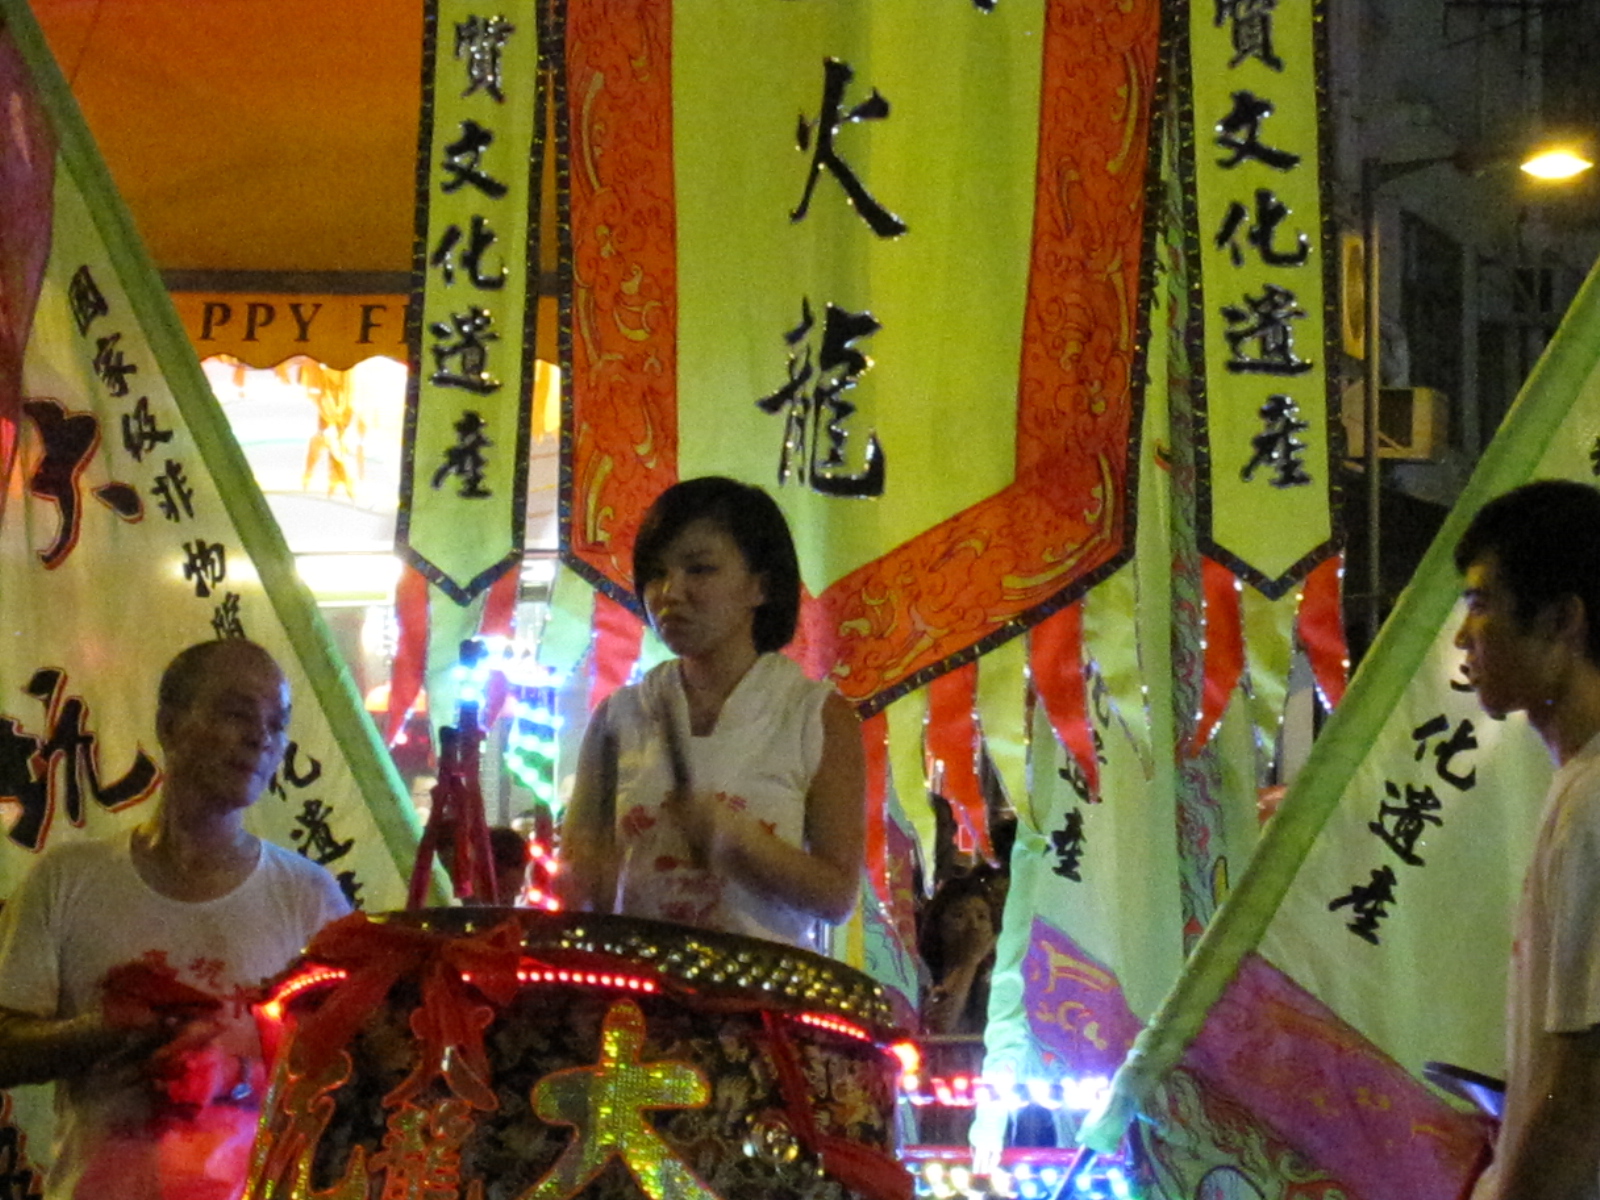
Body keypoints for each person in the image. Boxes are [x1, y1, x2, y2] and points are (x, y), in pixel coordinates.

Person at [0, 639, 351, 1200]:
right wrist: (100, 1033)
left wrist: (236, 1064)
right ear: (169, 725)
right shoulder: (68, 880)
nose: (261, 738)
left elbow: (352, 1069)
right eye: (237, 714)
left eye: (277, 724)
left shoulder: (309, 896)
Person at [558, 476, 865, 949]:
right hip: (639, 984)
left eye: (699, 569)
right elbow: (582, 878)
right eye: (656, 574)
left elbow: (837, 896)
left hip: (762, 989)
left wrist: (736, 838)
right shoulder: (620, 715)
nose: (670, 592)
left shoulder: (814, 715)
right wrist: (572, 878)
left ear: (761, 586)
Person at [1454, 481, 1600, 1200]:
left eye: (1481, 603)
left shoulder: (1594, 802)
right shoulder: (1577, 786)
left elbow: (1583, 1088)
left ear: (1562, 621)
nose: (1464, 637)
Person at [919, 870, 1001, 1036]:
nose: (974, 926)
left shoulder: (1000, 978)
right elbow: (940, 1027)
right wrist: (969, 961)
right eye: (959, 915)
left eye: (982, 916)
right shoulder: (920, 974)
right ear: (938, 925)